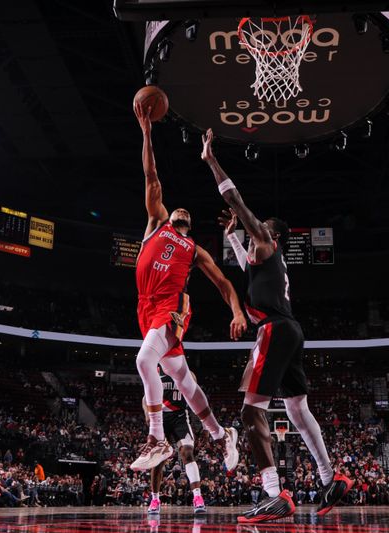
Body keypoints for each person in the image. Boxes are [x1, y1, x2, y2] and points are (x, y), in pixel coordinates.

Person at [202, 129, 352, 523]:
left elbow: (236, 199)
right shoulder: (266, 261)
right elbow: (244, 262)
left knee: (251, 411)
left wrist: (211, 161)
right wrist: (231, 234)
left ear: (271, 235)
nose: (250, 237)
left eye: (255, 232)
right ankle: (329, 476)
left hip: (274, 330)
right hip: (291, 330)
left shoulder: (267, 240)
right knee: (298, 409)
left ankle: (274, 493)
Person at [130, 103, 247, 472]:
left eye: (186, 214)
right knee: (182, 379)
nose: (180, 212)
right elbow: (151, 175)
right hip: (146, 308)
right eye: (176, 210)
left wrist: (237, 310)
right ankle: (220, 434)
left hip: (171, 306)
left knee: (143, 360)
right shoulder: (156, 223)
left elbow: (224, 282)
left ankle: (156, 438)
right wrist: (147, 131)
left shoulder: (194, 249)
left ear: (189, 224)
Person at [145, 368, 206, 515]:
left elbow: (197, 397)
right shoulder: (155, 371)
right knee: (158, 459)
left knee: (188, 453)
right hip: (160, 419)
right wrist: (148, 415)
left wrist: (205, 425)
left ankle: (197, 497)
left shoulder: (187, 373)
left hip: (180, 418)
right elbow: (145, 398)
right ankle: (155, 499)